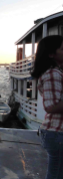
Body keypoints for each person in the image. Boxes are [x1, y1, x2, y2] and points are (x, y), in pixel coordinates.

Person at [31, 35, 63, 179]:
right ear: (51, 54)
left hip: (55, 133)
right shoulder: (52, 73)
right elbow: (50, 106)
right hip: (57, 133)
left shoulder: (55, 72)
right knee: (56, 174)